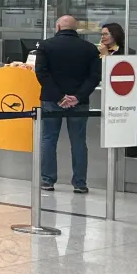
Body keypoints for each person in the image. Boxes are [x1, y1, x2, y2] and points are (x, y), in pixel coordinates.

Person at [34, 15, 101, 194]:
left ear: (57, 26)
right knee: (78, 141)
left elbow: (41, 73)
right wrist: (77, 97)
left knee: (48, 139)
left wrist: (58, 97)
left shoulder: (46, 45)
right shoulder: (89, 48)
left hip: (51, 100)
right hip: (79, 102)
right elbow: (94, 77)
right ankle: (80, 183)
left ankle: (47, 180)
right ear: (76, 28)